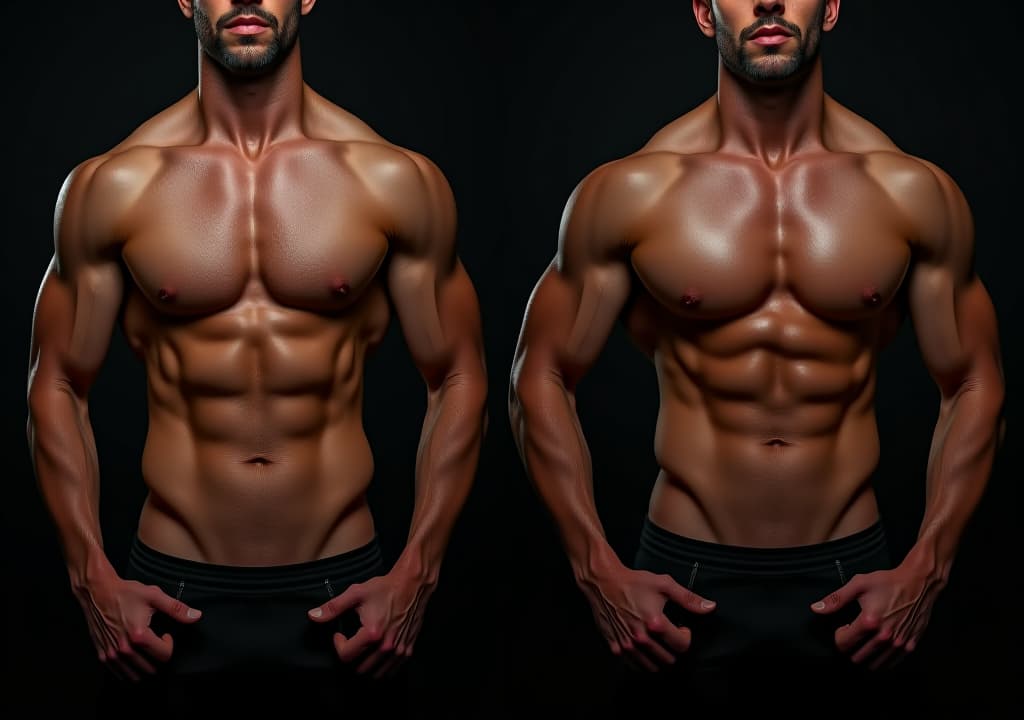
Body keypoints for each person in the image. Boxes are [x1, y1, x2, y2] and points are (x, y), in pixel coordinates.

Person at [508, 0, 1004, 713]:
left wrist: (929, 564)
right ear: (705, 14)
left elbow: (974, 381)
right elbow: (541, 374)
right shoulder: (632, 191)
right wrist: (596, 568)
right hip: (684, 577)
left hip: (852, 576)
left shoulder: (912, 192)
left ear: (831, 7)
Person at [25, 0, 487, 714]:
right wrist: (92, 577)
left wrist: (417, 572)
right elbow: (56, 381)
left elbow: (458, 375)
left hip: (345, 593)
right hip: (172, 593)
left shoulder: (391, 179)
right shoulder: (113, 184)